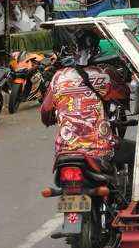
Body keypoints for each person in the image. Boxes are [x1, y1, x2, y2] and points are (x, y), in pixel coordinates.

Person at [40, 32, 130, 162]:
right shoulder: (103, 75)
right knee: (134, 152)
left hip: (64, 151)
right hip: (99, 150)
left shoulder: (58, 77)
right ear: (96, 51)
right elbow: (123, 95)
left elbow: (45, 114)